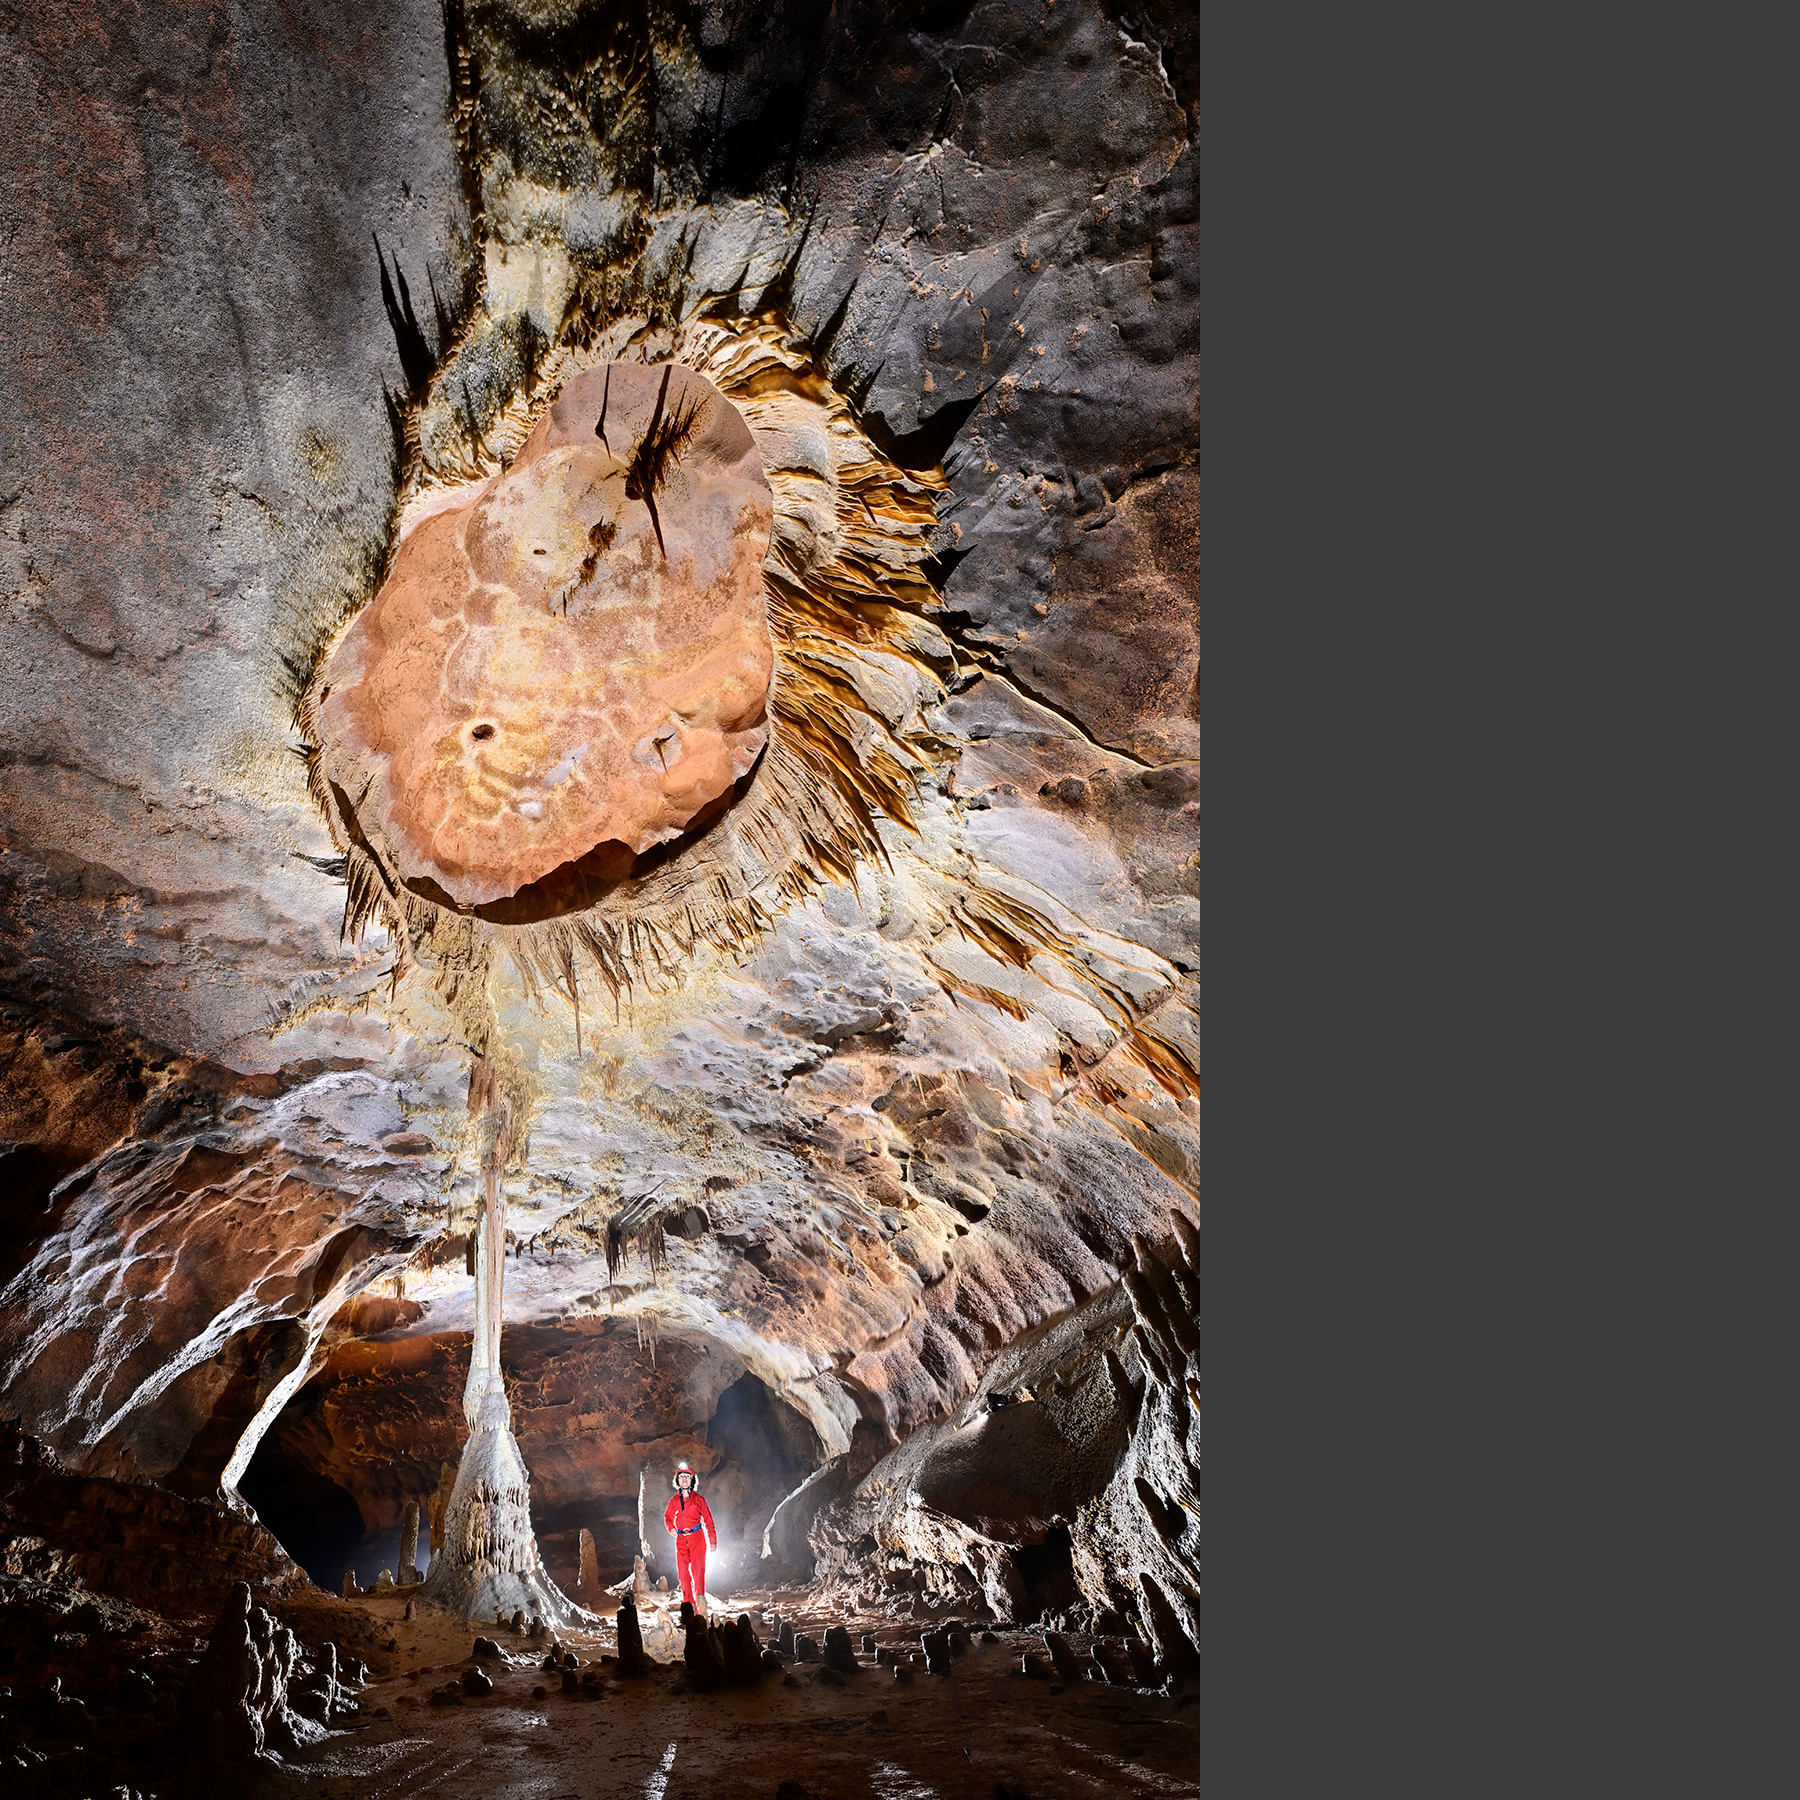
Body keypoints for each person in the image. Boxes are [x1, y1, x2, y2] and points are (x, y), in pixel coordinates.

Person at [663, 1461, 717, 1609]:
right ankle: (688, 1606)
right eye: (682, 1477)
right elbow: (667, 1518)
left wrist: (712, 1541)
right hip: (681, 1539)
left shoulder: (699, 1500)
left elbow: (708, 1520)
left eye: (687, 1476)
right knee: (682, 1575)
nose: (684, 1479)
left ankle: (700, 1606)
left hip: (697, 1538)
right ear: (677, 1480)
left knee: (698, 1572)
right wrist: (671, 1529)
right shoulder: (673, 1501)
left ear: (692, 1480)